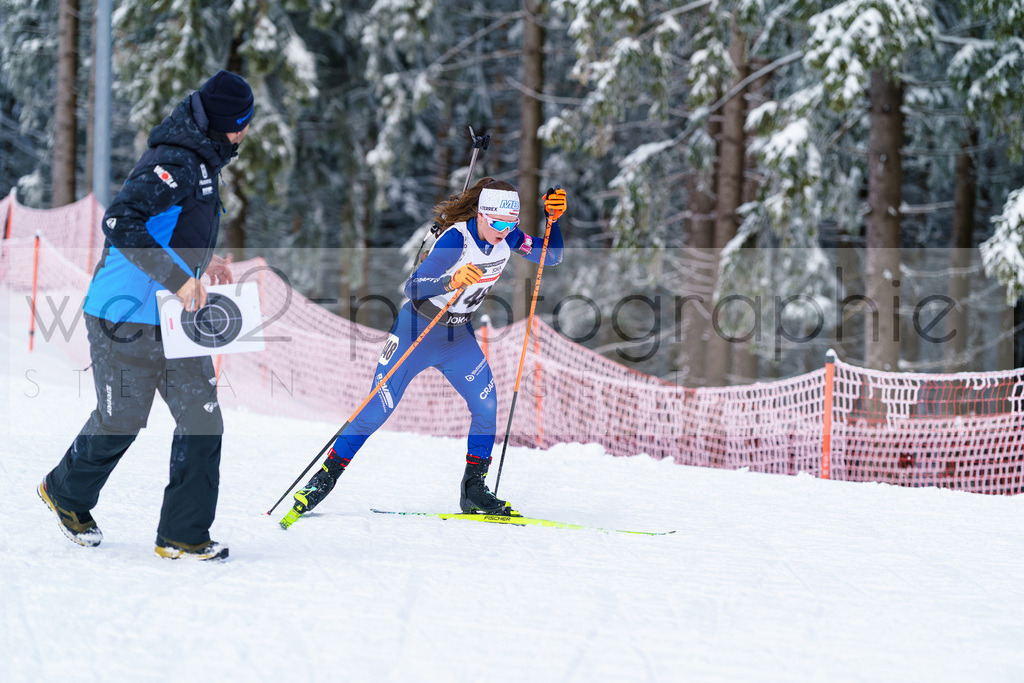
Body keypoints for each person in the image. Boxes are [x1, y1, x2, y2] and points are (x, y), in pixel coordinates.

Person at [37, 70, 255, 561]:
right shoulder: (176, 160)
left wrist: (200, 264)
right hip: (125, 313)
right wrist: (180, 279)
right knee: (122, 420)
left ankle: (183, 533)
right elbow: (120, 221)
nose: (245, 132)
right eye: (242, 124)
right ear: (225, 124)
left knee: (202, 421)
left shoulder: (202, 156)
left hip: (175, 317)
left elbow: (172, 226)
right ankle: (65, 492)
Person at [284, 179, 567, 524]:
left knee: (486, 404)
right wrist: (451, 280)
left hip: (458, 336)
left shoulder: (507, 237)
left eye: (511, 224)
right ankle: (323, 480)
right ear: (480, 215)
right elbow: (413, 286)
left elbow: (551, 255)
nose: (503, 231)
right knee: (377, 409)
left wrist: (554, 219)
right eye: (496, 223)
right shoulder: (455, 239)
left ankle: (473, 488)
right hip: (417, 330)